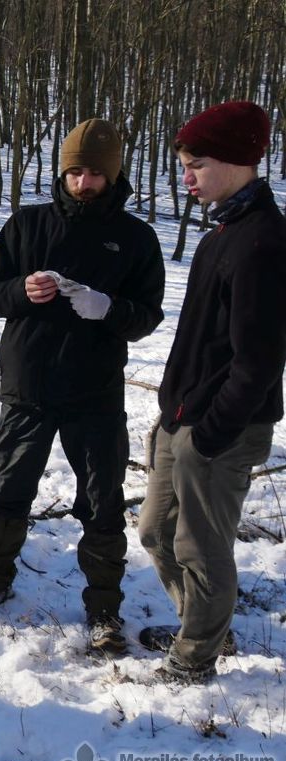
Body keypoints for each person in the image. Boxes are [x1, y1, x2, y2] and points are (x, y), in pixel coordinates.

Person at [0, 119, 165, 656]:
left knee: (102, 503)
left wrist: (109, 308)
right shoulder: (26, 226)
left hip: (94, 395)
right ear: (62, 172)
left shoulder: (137, 239)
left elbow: (147, 316)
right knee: (9, 494)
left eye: (95, 173)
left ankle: (103, 609)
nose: (83, 183)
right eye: (74, 172)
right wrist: (21, 290)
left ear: (112, 175)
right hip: (27, 387)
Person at [137, 101, 286, 684]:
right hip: (184, 417)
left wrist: (212, 433)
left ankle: (196, 654)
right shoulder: (223, 233)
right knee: (154, 530)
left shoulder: (264, 243)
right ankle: (200, 627)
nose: (187, 176)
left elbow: (259, 361)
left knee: (202, 547)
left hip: (222, 428)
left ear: (235, 162)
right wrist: (174, 413)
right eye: (184, 163)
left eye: (196, 163)